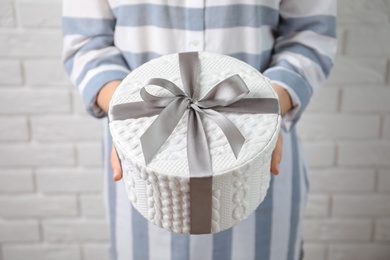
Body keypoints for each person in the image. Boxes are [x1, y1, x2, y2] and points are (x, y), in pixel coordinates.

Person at [62, 1, 337, 259]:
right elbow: (88, 44)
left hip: (257, 157)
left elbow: (309, 36)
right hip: (142, 167)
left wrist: (266, 113)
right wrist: (135, 121)